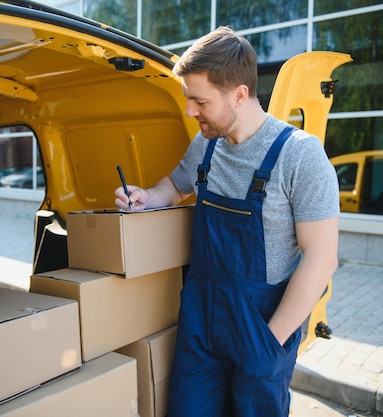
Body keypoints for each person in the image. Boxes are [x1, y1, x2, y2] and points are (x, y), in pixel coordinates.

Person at [115, 26, 339, 417]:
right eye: (189, 99)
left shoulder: (300, 156)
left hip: (261, 324)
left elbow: (321, 259)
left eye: (199, 100)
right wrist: (148, 197)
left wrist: (271, 343)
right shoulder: (206, 143)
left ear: (239, 94)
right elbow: (175, 185)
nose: (189, 111)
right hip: (201, 318)